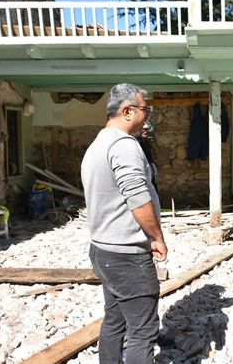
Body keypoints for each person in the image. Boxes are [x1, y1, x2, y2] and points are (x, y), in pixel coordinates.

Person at [81, 83, 168, 363]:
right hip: (127, 257)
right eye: (145, 110)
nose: (148, 116)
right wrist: (156, 237)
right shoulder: (124, 146)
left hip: (103, 251)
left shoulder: (98, 144)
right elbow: (137, 198)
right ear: (127, 111)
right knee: (143, 332)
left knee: (115, 320)